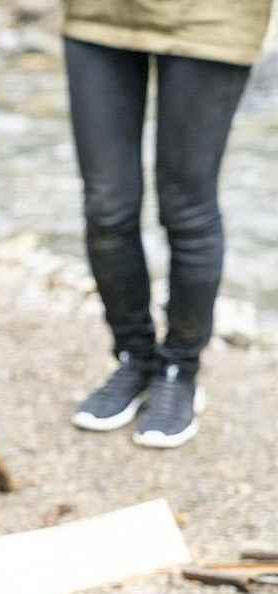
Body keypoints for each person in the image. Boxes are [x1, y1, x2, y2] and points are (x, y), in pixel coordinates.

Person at [65, 1, 270, 449]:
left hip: (211, 19)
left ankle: (179, 370)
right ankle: (134, 358)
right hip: (98, 15)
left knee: (186, 209)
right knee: (106, 206)